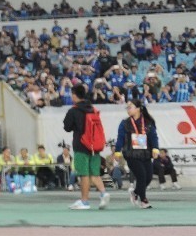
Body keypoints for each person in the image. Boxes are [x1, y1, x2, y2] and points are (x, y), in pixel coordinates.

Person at [63, 82, 111, 211]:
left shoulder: (73, 110)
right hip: (94, 146)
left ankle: (84, 201)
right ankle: (103, 193)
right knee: (95, 174)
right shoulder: (93, 109)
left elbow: (67, 127)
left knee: (83, 174)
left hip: (81, 145)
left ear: (74, 95)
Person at [116, 99, 156, 209]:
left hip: (145, 153)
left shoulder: (148, 122)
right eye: (127, 107)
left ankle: (136, 193)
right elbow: (120, 138)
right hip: (131, 154)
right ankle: (143, 200)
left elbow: (153, 136)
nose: (128, 109)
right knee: (141, 176)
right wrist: (117, 151)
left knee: (148, 177)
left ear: (138, 108)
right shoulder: (124, 123)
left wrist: (155, 149)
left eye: (130, 107)